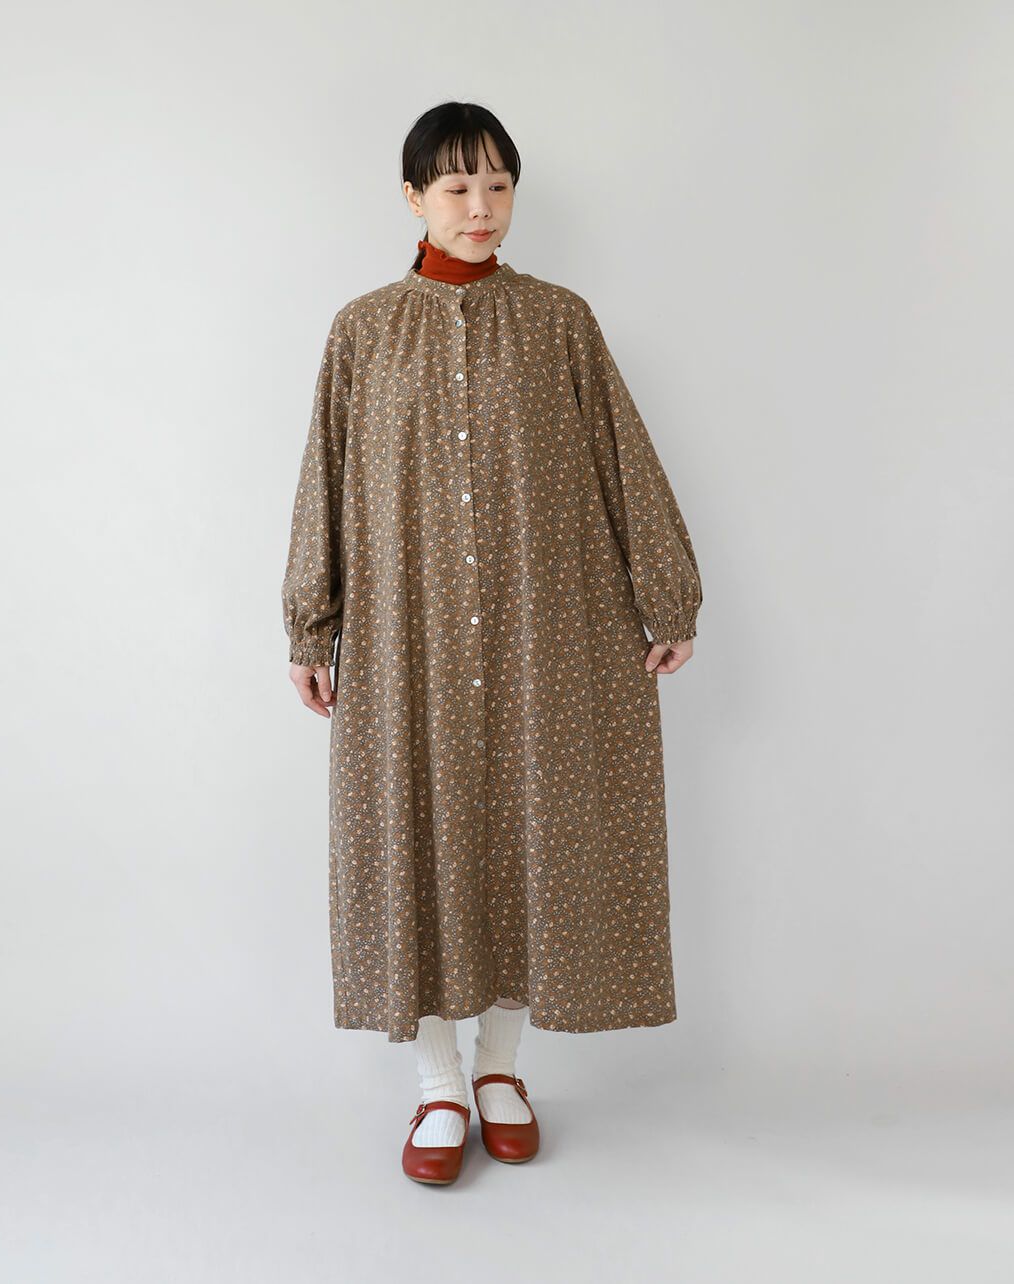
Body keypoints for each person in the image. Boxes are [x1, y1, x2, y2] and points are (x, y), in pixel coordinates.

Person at [281, 102, 703, 1185]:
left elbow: (621, 456)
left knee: (532, 834)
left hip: (544, 635)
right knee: (413, 836)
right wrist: (311, 622)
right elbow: (326, 479)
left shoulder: (560, 321)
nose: (481, 207)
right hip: (405, 640)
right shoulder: (363, 331)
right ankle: (436, 1082)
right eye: (458, 186)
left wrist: (666, 598)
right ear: (413, 197)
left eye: (499, 185)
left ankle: (501, 1070)